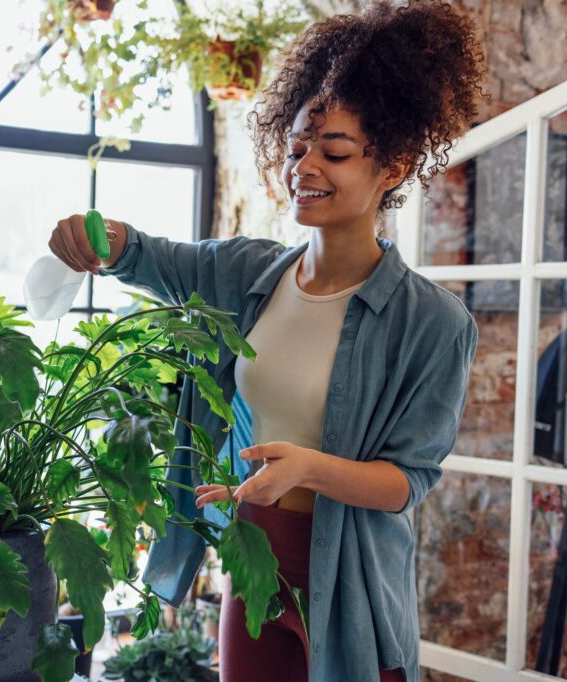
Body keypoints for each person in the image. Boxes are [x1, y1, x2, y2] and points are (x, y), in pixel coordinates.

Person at [46, 1, 488, 680]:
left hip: (353, 586)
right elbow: (151, 258)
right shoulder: (248, 273)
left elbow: (408, 480)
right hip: (254, 563)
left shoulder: (432, 322)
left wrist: (308, 468)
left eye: (334, 151)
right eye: (297, 148)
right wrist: (95, 237)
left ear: (394, 164)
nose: (305, 165)